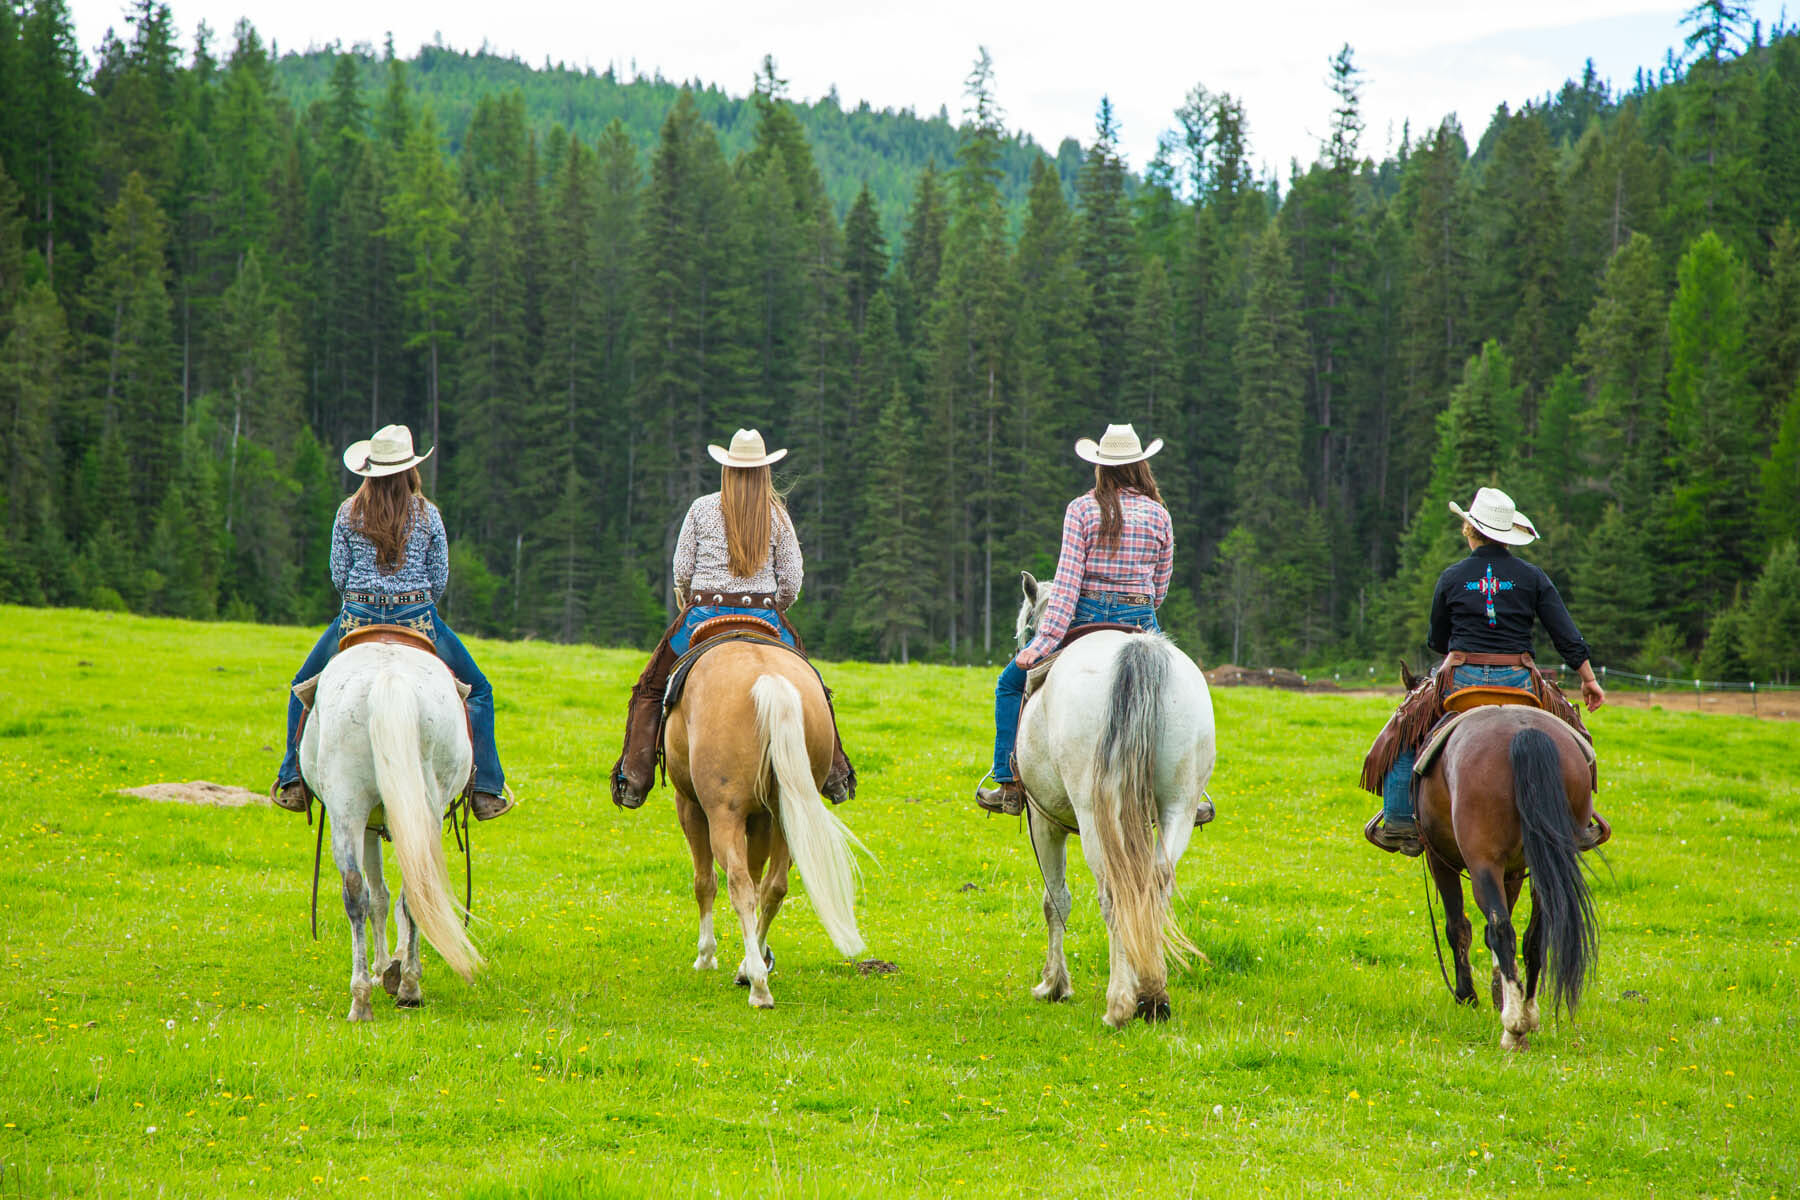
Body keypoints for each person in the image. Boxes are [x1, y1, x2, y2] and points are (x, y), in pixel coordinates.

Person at [974, 423, 1212, 827]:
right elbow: (1160, 589)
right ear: (1140, 465)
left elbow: (1066, 584)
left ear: (1101, 466)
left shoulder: (1082, 509)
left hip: (1084, 618)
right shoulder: (1160, 515)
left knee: (1010, 683)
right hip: (1141, 622)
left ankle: (1008, 782)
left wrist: (1044, 641)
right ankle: (1191, 792)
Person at [270, 424, 511, 821]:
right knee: (480, 691)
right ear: (410, 469)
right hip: (417, 618)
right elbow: (439, 578)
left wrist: (366, 599)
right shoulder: (428, 514)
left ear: (369, 468)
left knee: (301, 688)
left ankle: (293, 778)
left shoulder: (347, 511)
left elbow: (338, 574)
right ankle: (485, 789)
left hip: (356, 617)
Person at [611, 428, 855, 809]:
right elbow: (791, 579)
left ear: (727, 468)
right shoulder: (777, 516)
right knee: (812, 683)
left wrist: (693, 596)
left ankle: (634, 777)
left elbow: (681, 571)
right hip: (766, 616)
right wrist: (777, 606)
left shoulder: (701, 509)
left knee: (651, 686)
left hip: (704, 613)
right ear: (764, 471)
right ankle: (835, 773)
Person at [1363, 486, 1606, 855]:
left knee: (1404, 731)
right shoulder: (1533, 577)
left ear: (1469, 530)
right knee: (1576, 737)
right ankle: (1580, 822)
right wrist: (1588, 679)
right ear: (1507, 535)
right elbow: (1566, 635)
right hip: (1521, 681)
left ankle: (1398, 822)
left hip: (1462, 681)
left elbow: (1437, 639)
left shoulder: (1451, 576)